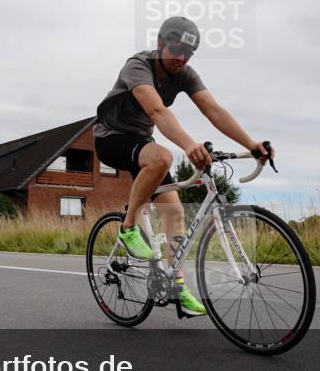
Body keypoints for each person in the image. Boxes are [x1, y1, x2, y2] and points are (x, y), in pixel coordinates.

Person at [93, 16, 273, 315]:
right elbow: (157, 110)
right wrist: (189, 145)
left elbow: (214, 110)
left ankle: (175, 286)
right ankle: (127, 229)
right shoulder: (137, 65)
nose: (181, 58)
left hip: (142, 144)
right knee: (163, 156)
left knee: (174, 212)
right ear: (161, 43)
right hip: (111, 139)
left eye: (188, 54)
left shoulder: (185, 74)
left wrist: (251, 144)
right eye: (176, 50)